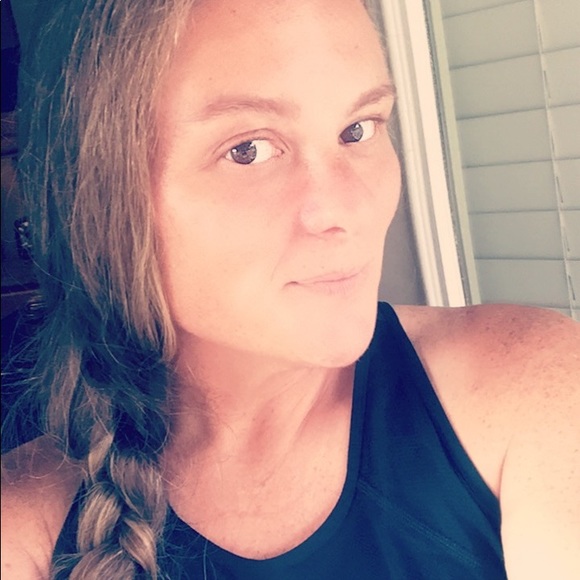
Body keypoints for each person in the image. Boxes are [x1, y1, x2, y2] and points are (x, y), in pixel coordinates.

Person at [1, 0, 578, 578]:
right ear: (95, 206)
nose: (349, 209)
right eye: (247, 150)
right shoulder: (24, 529)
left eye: (357, 129)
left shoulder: (529, 389)